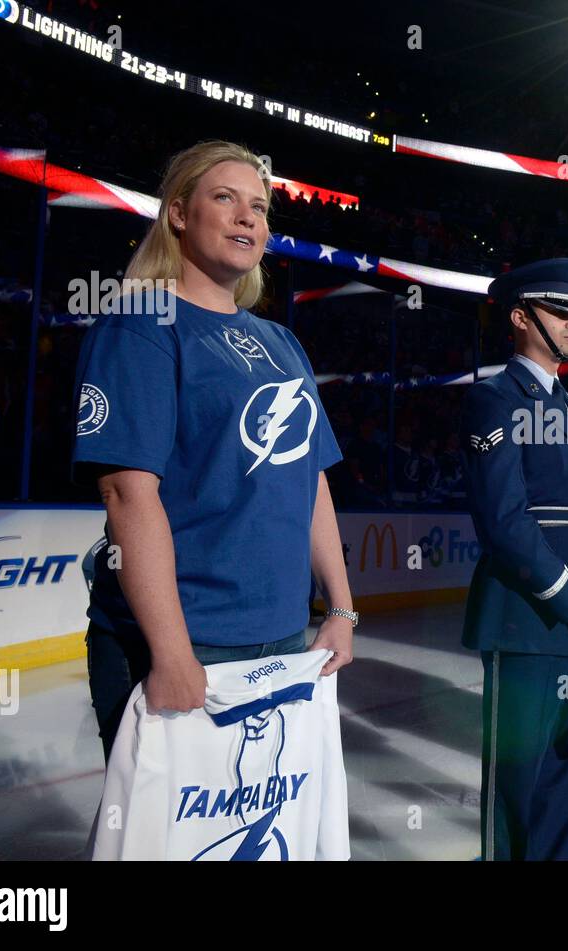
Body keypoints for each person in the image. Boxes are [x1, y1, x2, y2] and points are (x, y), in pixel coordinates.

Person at [70, 140, 356, 762]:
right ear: (178, 213)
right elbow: (126, 492)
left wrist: (340, 606)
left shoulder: (283, 342)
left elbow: (309, 479)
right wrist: (172, 652)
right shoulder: (139, 324)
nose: (247, 216)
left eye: (258, 206)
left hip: (281, 641)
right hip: (182, 640)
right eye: (224, 198)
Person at [460, 258, 568, 861]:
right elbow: (505, 523)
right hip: (527, 620)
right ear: (519, 317)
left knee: (564, 779)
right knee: (518, 782)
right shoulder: (493, 400)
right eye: (561, 312)